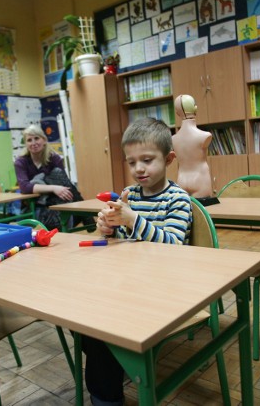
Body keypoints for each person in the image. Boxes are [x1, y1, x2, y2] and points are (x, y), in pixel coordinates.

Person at [90, 117, 193, 406]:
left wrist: (134, 218)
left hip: (164, 289)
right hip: (130, 284)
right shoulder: (129, 194)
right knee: (86, 320)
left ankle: (106, 395)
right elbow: (122, 242)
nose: (138, 169)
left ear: (169, 158)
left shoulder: (177, 199)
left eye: (147, 160)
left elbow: (173, 245)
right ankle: (111, 371)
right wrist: (107, 227)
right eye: (132, 162)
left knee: (99, 331)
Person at [14, 124, 91, 230]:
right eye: (29, 140)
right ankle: (86, 216)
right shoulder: (21, 162)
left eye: (37, 138)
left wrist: (57, 189)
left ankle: (82, 214)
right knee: (57, 175)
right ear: (26, 144)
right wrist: (54, 188)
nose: (33, 143)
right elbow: (24, 187)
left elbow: (64, 184)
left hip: (56, 200)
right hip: (35, 205)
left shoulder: (54, 158)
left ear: (44, 140)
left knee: (58, 174)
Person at [171, 94, 214, 199]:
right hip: (200, 181)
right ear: (195, 108)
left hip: (181, 181)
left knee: (184, 213)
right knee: (202, 214)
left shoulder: (173, 139)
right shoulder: (205, 136)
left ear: (177, 113)